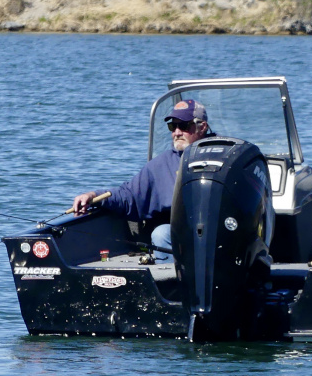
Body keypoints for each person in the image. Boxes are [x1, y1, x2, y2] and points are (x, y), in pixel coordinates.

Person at [71, 99, 213, 263]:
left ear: (202, 127)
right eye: (172, 126)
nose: (177, 132)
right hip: (183, 232)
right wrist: (93, 196)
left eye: (184, 126)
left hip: (221, 230)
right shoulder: (161, 165)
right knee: (161, 233)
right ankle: (173, 283)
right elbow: (129, 195)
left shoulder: (226, 154)